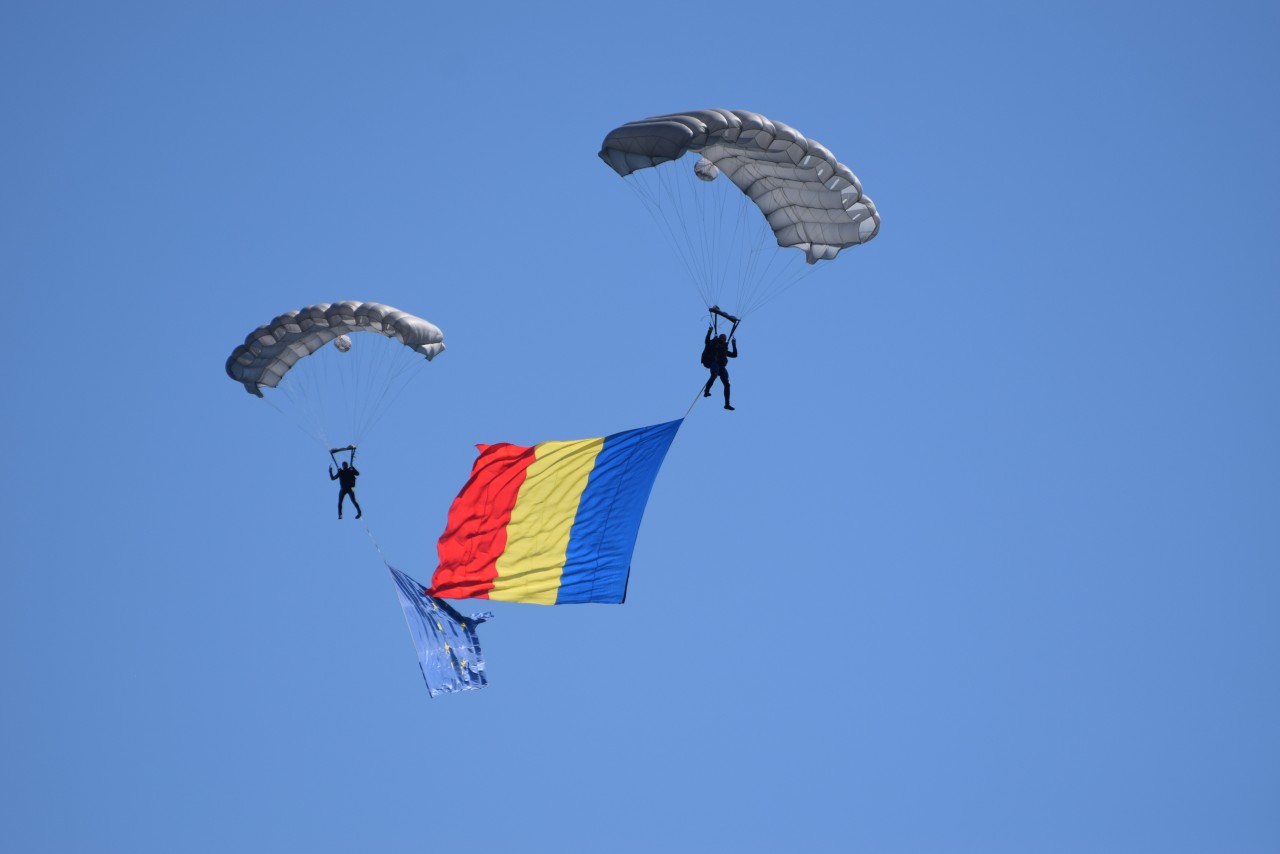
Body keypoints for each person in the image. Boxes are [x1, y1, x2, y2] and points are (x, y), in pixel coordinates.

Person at [701, 325, 738, 410]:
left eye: (724, 339)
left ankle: (727, 404)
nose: (723, 340)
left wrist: (734, 344)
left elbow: (734, 355)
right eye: (722, 338)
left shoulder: (724, 349)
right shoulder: (714, 344)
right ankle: (706, 391)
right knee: (714, 375)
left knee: (727, 384)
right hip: (713, 362)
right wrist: (709, 331)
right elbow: (707, 341)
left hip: (721, 366)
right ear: (719, 338)